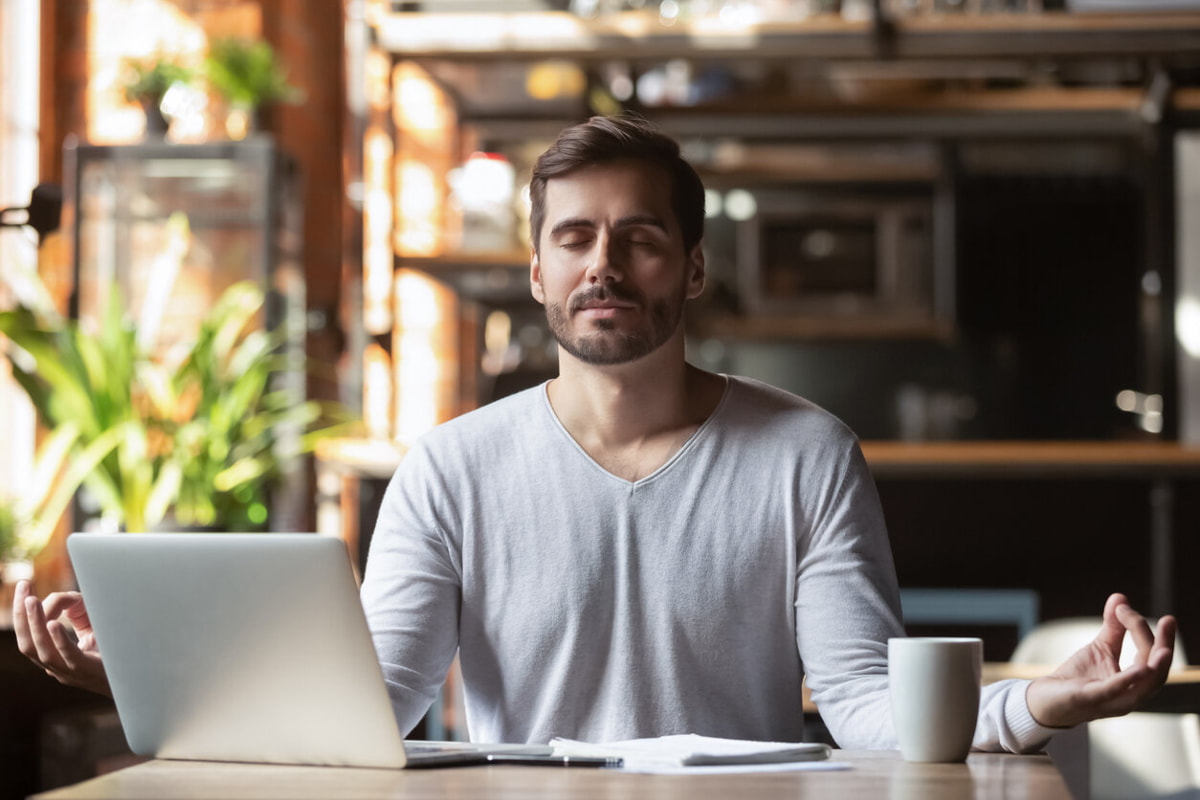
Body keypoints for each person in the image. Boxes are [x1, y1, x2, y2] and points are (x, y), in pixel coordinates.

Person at [14, 116, 1177, 752]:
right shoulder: (452, 467)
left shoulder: (808, 454)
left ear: (695, 266)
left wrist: (1040, 701)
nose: (604, 265)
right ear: (536, 270)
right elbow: (369, 705)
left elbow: (868, 705)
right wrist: (149, 671)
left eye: (639, 237)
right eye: (574, 238)